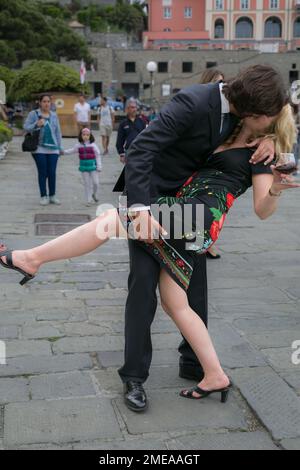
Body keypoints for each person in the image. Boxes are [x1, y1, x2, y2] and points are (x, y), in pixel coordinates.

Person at [0, 105, 298, 407]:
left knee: (113, 221)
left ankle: (32, 258)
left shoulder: (265, 153)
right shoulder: (229, 128)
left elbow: (262, 210)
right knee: (175, 303)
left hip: (198, 216)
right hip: (180, 209)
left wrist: (276, 188)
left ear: (271, 117)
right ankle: (215, 375)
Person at [111, 65, 287, 412]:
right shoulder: (208, 108)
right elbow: (141, 151)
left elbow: (281, 125)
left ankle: (196, 364)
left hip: (195, 215)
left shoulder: (255, 133)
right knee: (145, 287)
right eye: (266, 119)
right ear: (253, 113)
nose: (269, 121)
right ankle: (135, 377)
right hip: (156, 201)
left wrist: (273, 145)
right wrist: (140, 207)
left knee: (194, 291)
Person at [199, 69, 225, 260]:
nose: (220, 87)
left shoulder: (226, 110)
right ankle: (201, 241)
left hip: (215, 165)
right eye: (217, 82)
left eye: (223, 83)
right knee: (199, 206)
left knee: (216, 208)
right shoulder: (199, 104)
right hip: (196, 164)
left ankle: (210, 243)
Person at [23, 94, 62, 206]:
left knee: (52, 173)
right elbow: (26, 127)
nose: (46, 103)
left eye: (48, 101)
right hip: (39, 148)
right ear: (40, 102)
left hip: (53, 149)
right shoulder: (34, 114)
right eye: (44, 101)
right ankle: (43, 196)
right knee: (43, 172)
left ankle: (53, 195)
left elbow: (58, 132)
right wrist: (36, 124)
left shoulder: (54, 115)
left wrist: (59, 147)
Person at [62, 128, 102, 207]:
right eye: (84, 135)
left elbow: (98, 156)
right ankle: (88, 200)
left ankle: (94, 194)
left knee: (96, 183)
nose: (85, 136)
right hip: (84, 167)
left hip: (93, 167)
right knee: (87, 184)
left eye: (87, 135)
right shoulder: (78, 146)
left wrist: (99, 166)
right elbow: (72, 150)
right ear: (81, 135)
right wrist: (63, 152)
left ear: (90, 136)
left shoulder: (93, 145)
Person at [116, 99, 146, 165]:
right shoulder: (123, 123)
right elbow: (119, 140)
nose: (134, 109)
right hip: (129, 152)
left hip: (141, 152)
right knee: (130, 173)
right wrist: (121, 154)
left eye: (135, 107)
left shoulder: (142, 122)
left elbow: (146, 137)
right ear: (127, 109)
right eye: (132, 107)